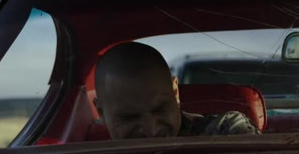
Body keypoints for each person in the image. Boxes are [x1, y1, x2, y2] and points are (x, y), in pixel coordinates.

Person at [93, 42, 260, 139]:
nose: (152, 131)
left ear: (175, 93)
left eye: (160, 109)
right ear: (101, 112)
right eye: (129, 117)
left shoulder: (226, 131)